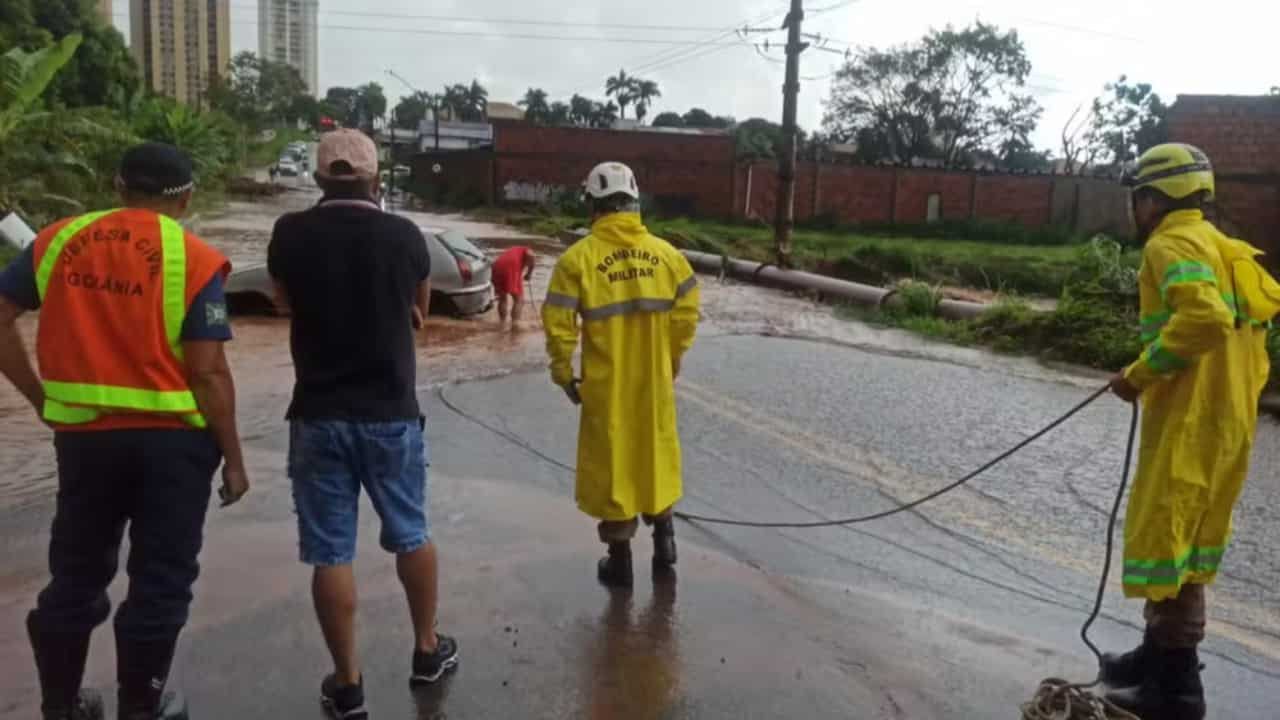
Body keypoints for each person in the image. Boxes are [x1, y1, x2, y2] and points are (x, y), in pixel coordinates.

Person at [0, 142, 248, 720]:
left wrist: (39, 398)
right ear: (185, 199)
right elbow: (209, 372)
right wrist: (234, 459)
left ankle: (60, 705)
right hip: (175, 448)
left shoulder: (55, 240)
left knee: (77, 572)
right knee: (161, 577)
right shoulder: (195, 257)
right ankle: (142, 705)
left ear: (117, 186)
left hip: (84, 441)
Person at [268, 129, 459, 720]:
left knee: (331, 553)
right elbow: (422, 309)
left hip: (318, 415)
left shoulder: (289, 234)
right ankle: (427, 649)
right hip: (391, 415)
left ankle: (347, 685)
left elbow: (282, 303)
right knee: (411, 532)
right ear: (377, 180)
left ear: (320, 178)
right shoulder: (404, 236)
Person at [1105, 143, 1278, 720]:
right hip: (1227, 423)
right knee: (1188, 543)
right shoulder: (1227, 248)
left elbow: (1205, 317)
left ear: (1153, 198)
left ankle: (1176, 689)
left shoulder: (1169, 243)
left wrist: (1137, 375)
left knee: (1165, 542)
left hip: (1188, 422)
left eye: (1139, 196)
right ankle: (1154, 656)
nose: (1137, 207)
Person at [543, 162, 700, 588]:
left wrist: (563, 373)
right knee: (656, 455)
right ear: (633, 203)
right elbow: (688, 312)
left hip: (605, 386)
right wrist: (672, 356)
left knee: (615, 467)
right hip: (654, 385)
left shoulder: (577, 260)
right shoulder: (668, 256)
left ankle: (620, 559)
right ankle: (665, 542)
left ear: (593, 206)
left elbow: (558, 326)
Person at [492, 246, 536, 326]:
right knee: (519, 299)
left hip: (496, 266)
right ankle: (515, 324)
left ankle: (502, 323)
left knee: (502, 298)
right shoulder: (526, 249)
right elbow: (531, 255)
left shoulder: (515, 249)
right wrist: (529, 273)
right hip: (510, 266)